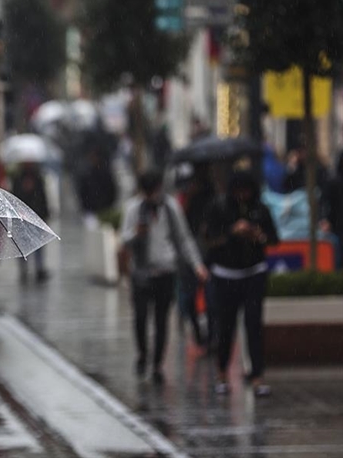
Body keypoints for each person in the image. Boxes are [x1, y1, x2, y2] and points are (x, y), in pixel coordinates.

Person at [120, 171, 209, 384]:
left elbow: (183, 238)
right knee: (141, 318)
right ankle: (142, 354)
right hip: (141, 272)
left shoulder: (170, 208)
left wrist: (197, 265)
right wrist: (136, 233)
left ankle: (157, 364)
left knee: (161, 320)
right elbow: (124, 238)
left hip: (166, 272)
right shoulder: (133, 208)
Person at [205, 171, 279, 397]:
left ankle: (257, 376)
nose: (242, 196)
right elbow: (208, 239)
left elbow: (274, 239)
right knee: (226, 326)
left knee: (254, 325)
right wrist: (232, 233)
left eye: (246, 191)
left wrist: (258, 235)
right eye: (239, 191)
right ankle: (222, 374)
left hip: (254, 273)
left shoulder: (260, 209)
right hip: (226, 274)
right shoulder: (219, 207)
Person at [175, 163, 216, 350]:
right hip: (188, 254)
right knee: (189, 296)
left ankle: (211, 336)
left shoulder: (212, 195)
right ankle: (199, 333)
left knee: (210, 296)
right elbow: (180, 225)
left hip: (207, 251)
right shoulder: (184, 198)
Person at [10, 162, 52, 282]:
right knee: (22, 244)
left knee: (38, 245)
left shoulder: (38, 177)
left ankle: (39, 269)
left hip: (36, 215)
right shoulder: (18, 178)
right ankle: (24, 270)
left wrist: (45, 213)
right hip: (22, 217)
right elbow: (15, 197)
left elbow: (42, 197)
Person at [320, 152, 343, 268]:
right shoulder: (334, 182)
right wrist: (325, 219)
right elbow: (325, 201)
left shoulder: (333, 181)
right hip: (338, 226)